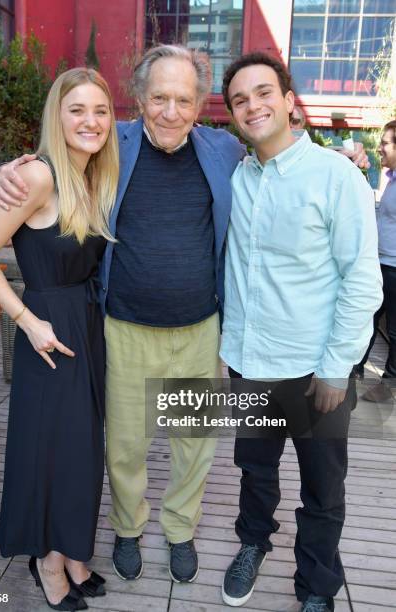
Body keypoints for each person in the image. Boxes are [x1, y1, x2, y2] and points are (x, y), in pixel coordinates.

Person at [0, 45, 370, 587]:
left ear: (200, 106)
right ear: (139, 98)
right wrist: (2, 174)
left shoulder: (224, 151)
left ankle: (180, 528)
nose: (170, 111)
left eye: (183, 99)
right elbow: (46, 174)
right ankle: (127, 526)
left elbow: (283, 162)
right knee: (124, 443)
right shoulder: (107, 144)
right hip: (123, 326)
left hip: (199, 329)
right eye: (159, 97)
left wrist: (345, 159)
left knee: (193, 445)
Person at [219, 53, 382, 611]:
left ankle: (316, 587)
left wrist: (338, 367)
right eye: (240, 100)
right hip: (250, 362)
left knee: (323, 492)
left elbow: (362, 282)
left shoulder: (336, 176)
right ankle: (252, 545)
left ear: (289, 100)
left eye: (264, 92)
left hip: (318, 372)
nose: (253, 106)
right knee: (254, 471)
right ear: (233, 115)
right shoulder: (237, 176)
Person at [0, 67, 119, 611]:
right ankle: (48, 562)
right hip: (48, 329)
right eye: (77, 109)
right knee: (53, 450)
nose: (91, 121)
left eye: (100, 110)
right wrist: (28, 322)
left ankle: (74, 552)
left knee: (81, 448)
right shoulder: (37, 176)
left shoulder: (93, 177)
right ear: (56, 115)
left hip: (85, 322)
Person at [354, 120, 396, 403]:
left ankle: (389, 384)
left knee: (393, 328)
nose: (380, 147)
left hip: (394, 266)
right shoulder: (391, 178)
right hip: (380, 261)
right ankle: (354, 369)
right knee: (364, 316)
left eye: (385, 143)